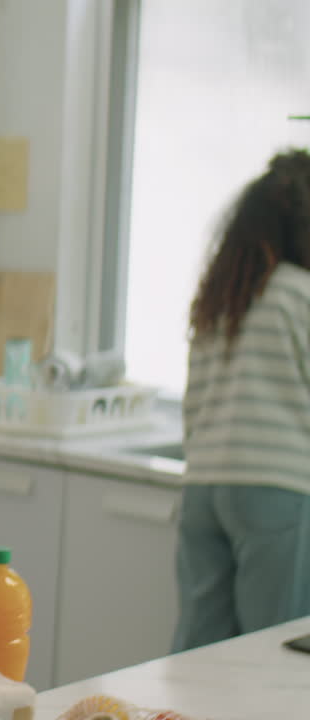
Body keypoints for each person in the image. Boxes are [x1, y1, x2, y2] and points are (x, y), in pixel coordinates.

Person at [173, 148, 310, 652]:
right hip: (277, 486)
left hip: (204, 488)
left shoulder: (222, 298)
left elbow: (193, 404)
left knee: (199, 650)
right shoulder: (301, 294)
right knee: (273, 649)